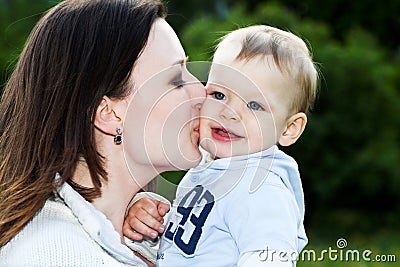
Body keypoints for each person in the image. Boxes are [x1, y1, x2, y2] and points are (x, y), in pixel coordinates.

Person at [0, 0, 205, 266]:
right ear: (108, 113)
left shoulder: (149, 236)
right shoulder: (53, 254)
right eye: (176, 81)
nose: (201, 92)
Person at [125, 25, 319, 266]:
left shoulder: (261, 188)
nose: (229, 113)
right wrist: (152, 225)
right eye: (219, 95)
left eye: (254, 105)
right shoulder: (210, 174)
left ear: (289, 129)